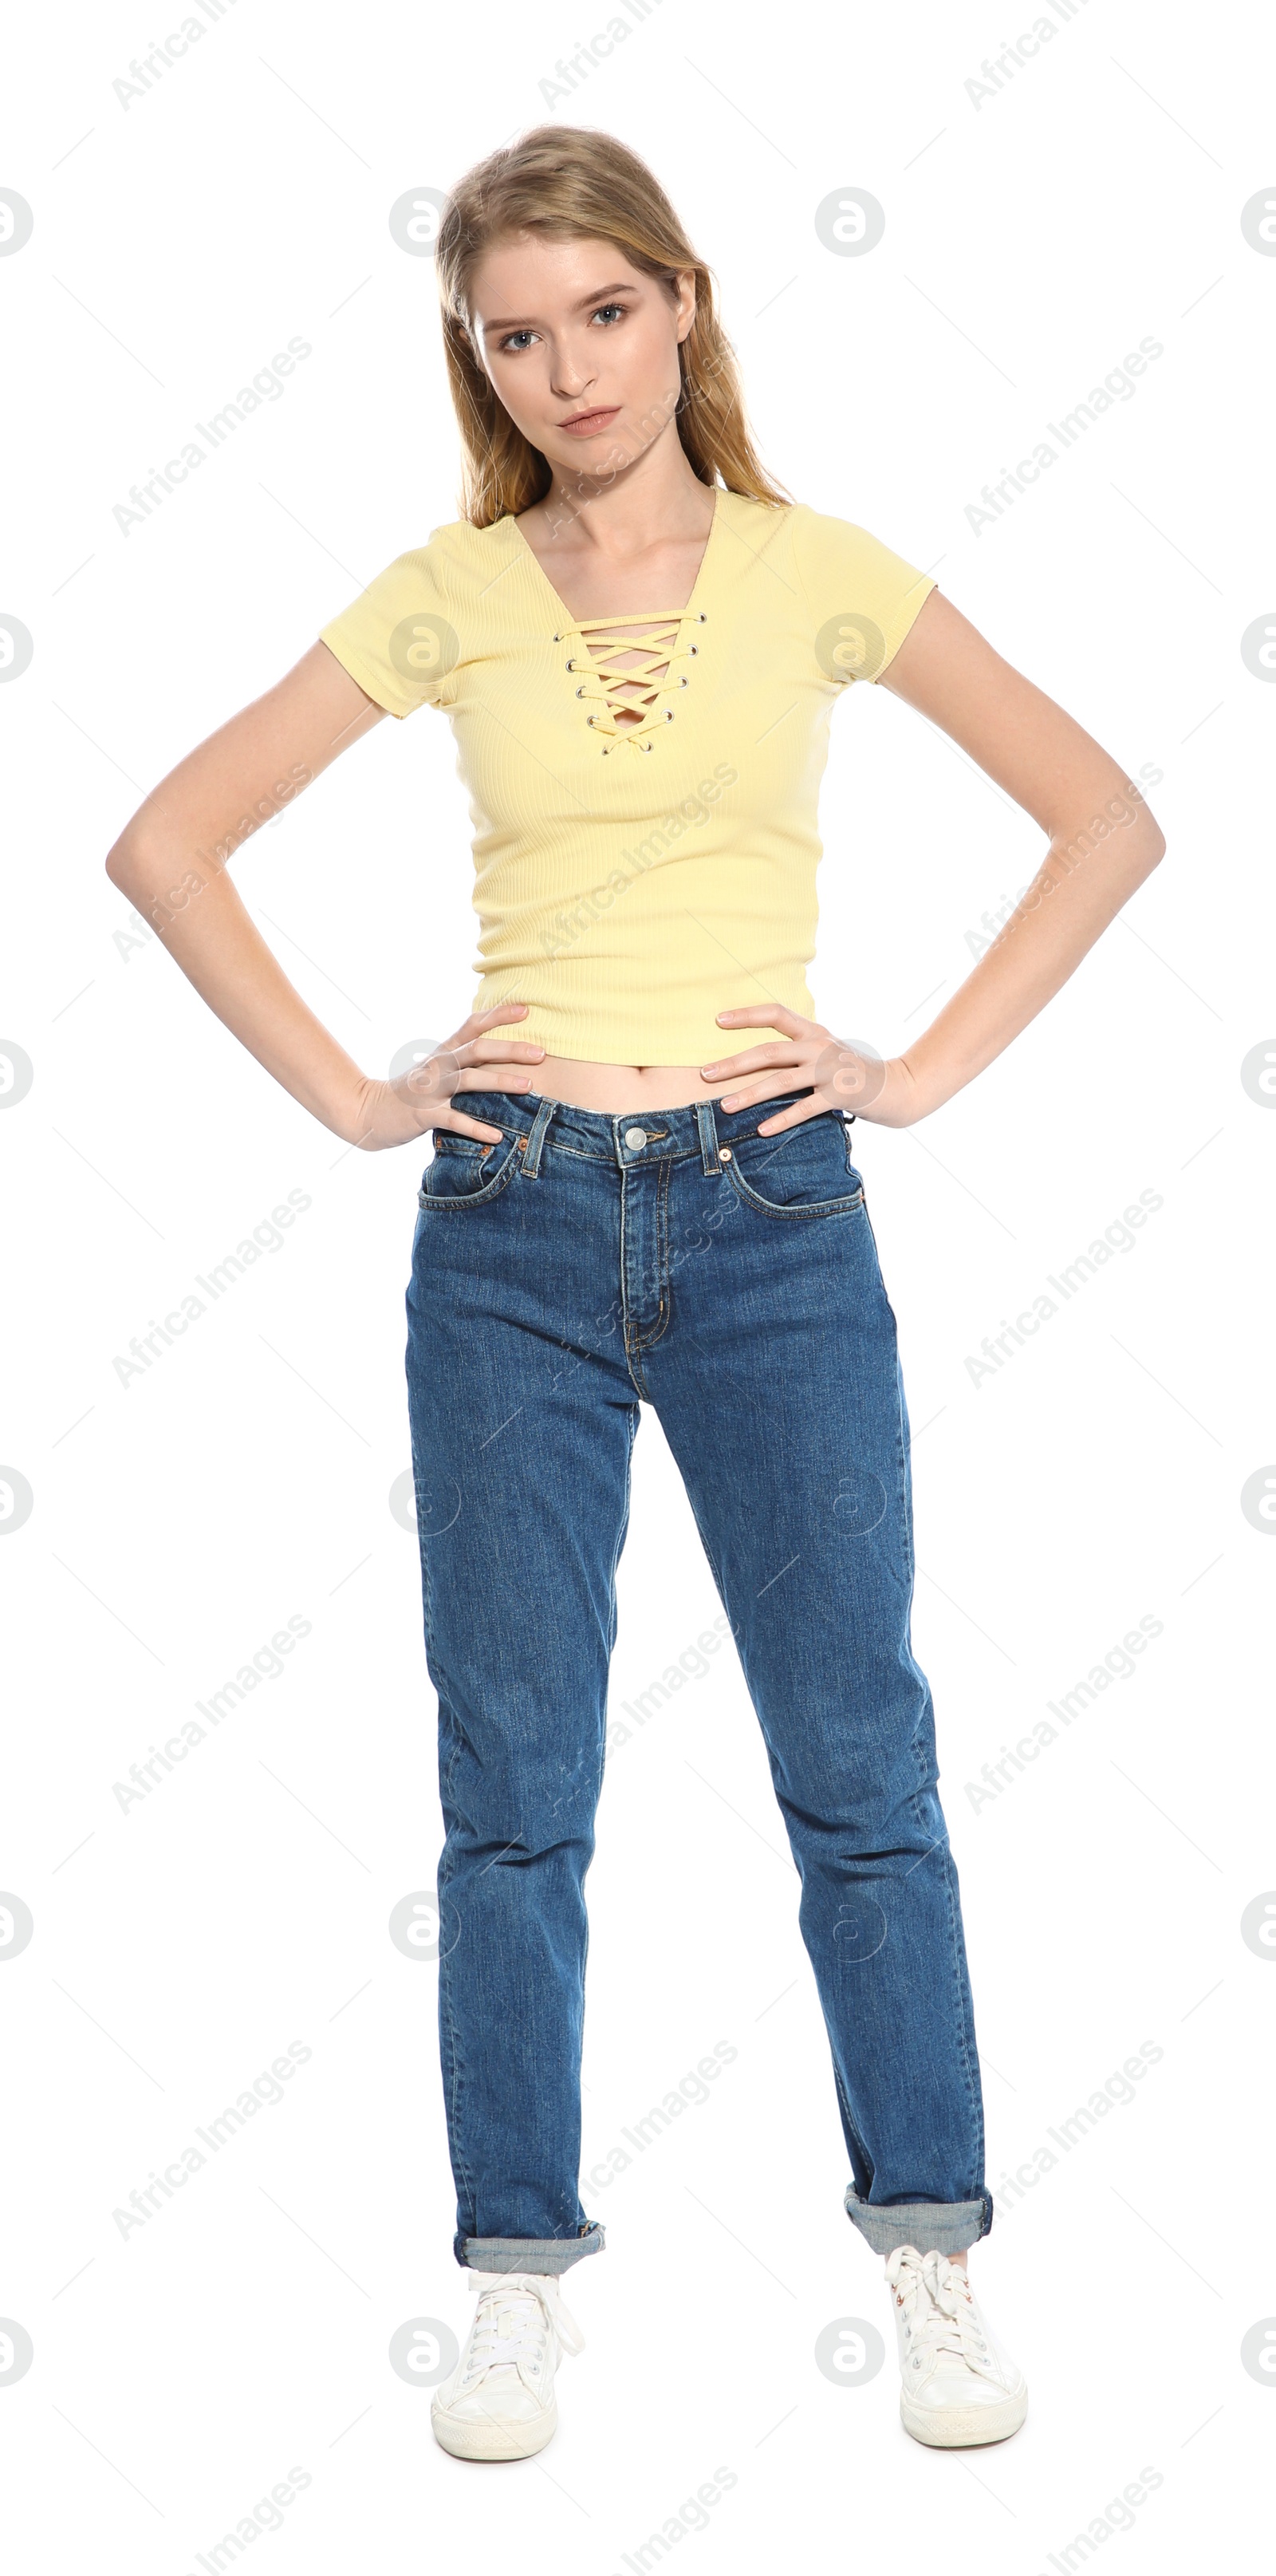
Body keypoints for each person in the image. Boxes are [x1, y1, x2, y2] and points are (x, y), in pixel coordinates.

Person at [104, 123, 1164, 2463]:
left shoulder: (818, 574)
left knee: (858, 1763)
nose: (565, 365)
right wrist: (361, 1100)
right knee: (515, 1785)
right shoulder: (446, 591)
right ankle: (516, 2278)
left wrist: (913, 1070)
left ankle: (936, 2251)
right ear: (475, 357)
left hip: (775, 1219)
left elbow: (1109, 816)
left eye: (600, 309)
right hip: (511, 1236)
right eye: (513, 330)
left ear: (680, 304)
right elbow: (162, 841)